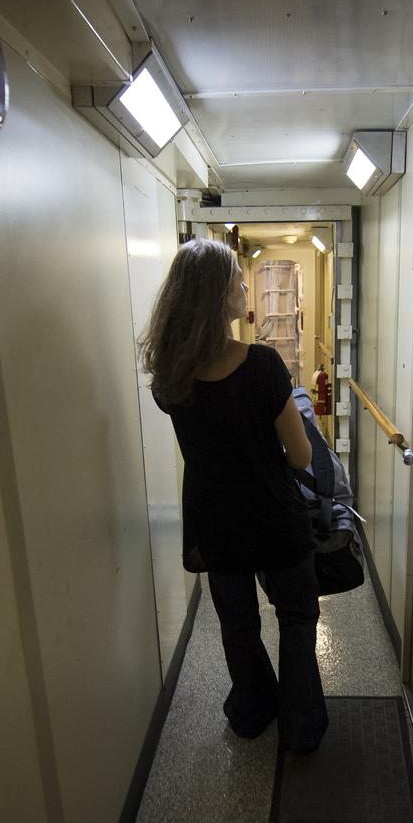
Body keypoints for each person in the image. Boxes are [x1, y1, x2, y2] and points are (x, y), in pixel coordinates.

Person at [139, 237, 327, 752]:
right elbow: (301, 458)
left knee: (238, 622)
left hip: (215, 521)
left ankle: (252, 709)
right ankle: (302, 726)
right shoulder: (263, 366)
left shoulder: (170, 377)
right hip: (274, 518)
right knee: (295, 616)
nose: (245, 286)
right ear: (217, 296)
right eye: (237, 281)